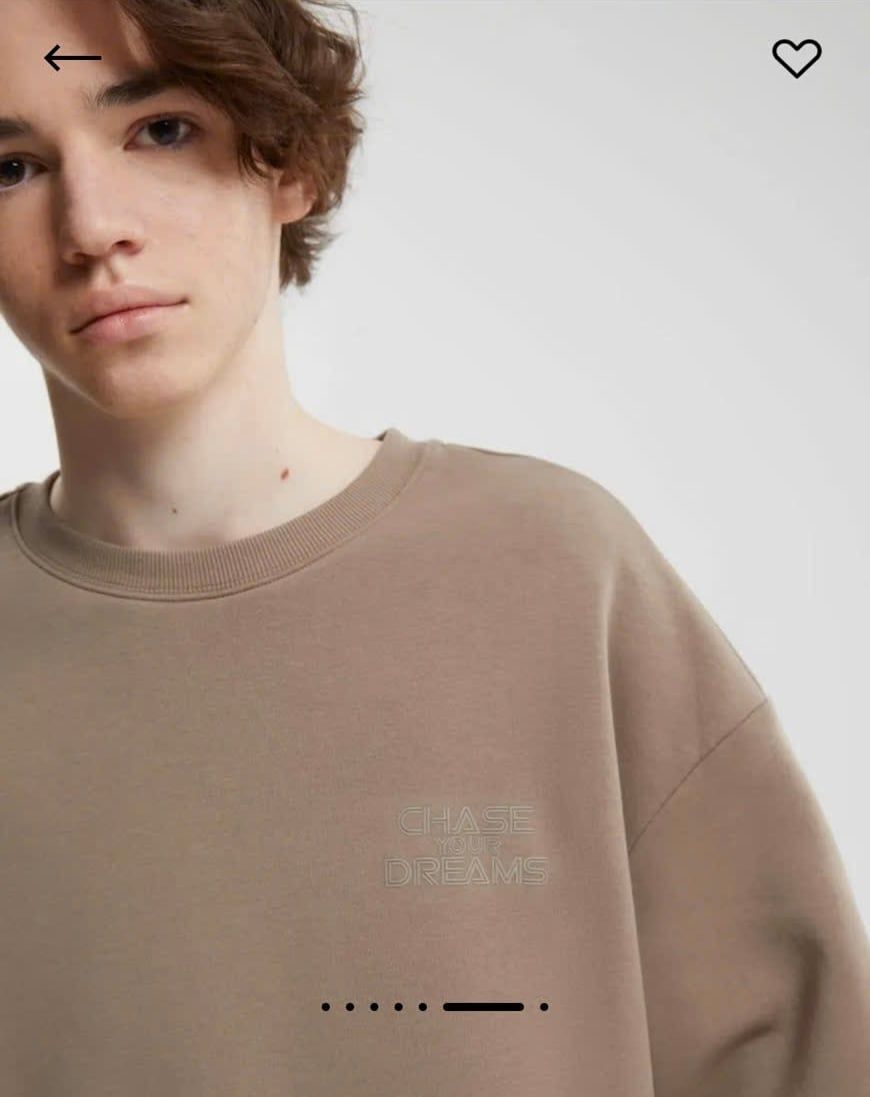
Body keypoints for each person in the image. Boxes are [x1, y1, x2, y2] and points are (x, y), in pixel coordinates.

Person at [1, 3, 867, 1096]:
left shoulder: (556, 571)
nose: (91, 226)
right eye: (11, 167)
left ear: (287, 161)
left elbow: (802, 1057)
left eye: (160, 130)